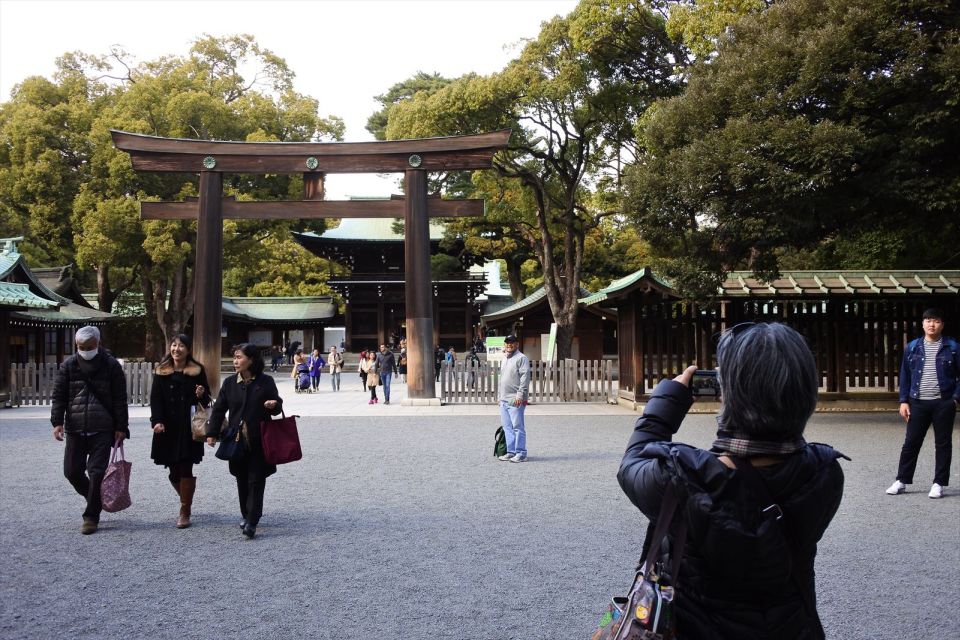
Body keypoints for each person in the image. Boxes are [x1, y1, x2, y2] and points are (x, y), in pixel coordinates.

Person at [618, 322, 846, 639]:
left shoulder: (681, 479)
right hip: (792, 627)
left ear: (729, 394)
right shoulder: (824, 472)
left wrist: (668, 399)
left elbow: (632, 461)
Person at [51, 326, 130, 535]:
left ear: (98, 344)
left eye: (89, 346)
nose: (85, 350)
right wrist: (57, 422)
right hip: (76, 427)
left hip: (103, 427)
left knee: (96, 472)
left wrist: (121, 426)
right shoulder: (69, 365)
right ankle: (94, 497)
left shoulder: (111, 365)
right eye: (81, 347)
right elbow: (59, 395)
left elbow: (120, 398)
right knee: (72, 471)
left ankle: (91, 517)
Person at [206, 343, 283, 539]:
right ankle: (245, 513)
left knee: (256, 479)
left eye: (239, 357)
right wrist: (212, 432)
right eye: (234, 357)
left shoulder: (265, 382)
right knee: (241, 477)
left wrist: (273, 404)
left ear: (252, 360)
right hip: (236, 439)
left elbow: (276, 405)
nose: (235, 361)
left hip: (259, 438)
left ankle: (252, 520)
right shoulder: (230, 383)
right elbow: (219, 409)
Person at [886, 308, 959, 499]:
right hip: (917, 401)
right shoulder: (912, 347)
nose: (931, 324)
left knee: (943, 444)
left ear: (942, 324)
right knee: (911, 442)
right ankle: (901, 480)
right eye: (928, 320)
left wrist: (955, 398)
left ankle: (939, 483)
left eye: (935, 321)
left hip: (943, 402)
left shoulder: (952, 347)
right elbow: (905, 376)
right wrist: (903, 401)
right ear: (923, 323)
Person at [149, 334, 211, 528]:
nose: (176, 349)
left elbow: (207, 400)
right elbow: (155, 398)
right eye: (174, 345)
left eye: (181, 346)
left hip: (188, 426)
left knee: (185, 467)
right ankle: (186, 498)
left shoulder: (197, 370)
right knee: (173, 471)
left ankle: (185, 510)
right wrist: (156, 421)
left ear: (188, 350)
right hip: (167, 426)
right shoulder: (161, 370)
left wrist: (201, 395)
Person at [497, 335, 530, 462]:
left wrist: (520, 395)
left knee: (517, 426)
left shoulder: (522, 358)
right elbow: (502, 379)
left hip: (515, 398)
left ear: (517, 344)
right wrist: (499, 397)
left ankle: (521, 453)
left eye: (512, 343)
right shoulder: (505, 358)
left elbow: (525, 378)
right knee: (507, 427)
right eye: (507, 343)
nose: (509, 345)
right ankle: (511, 451)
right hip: (504, 398)